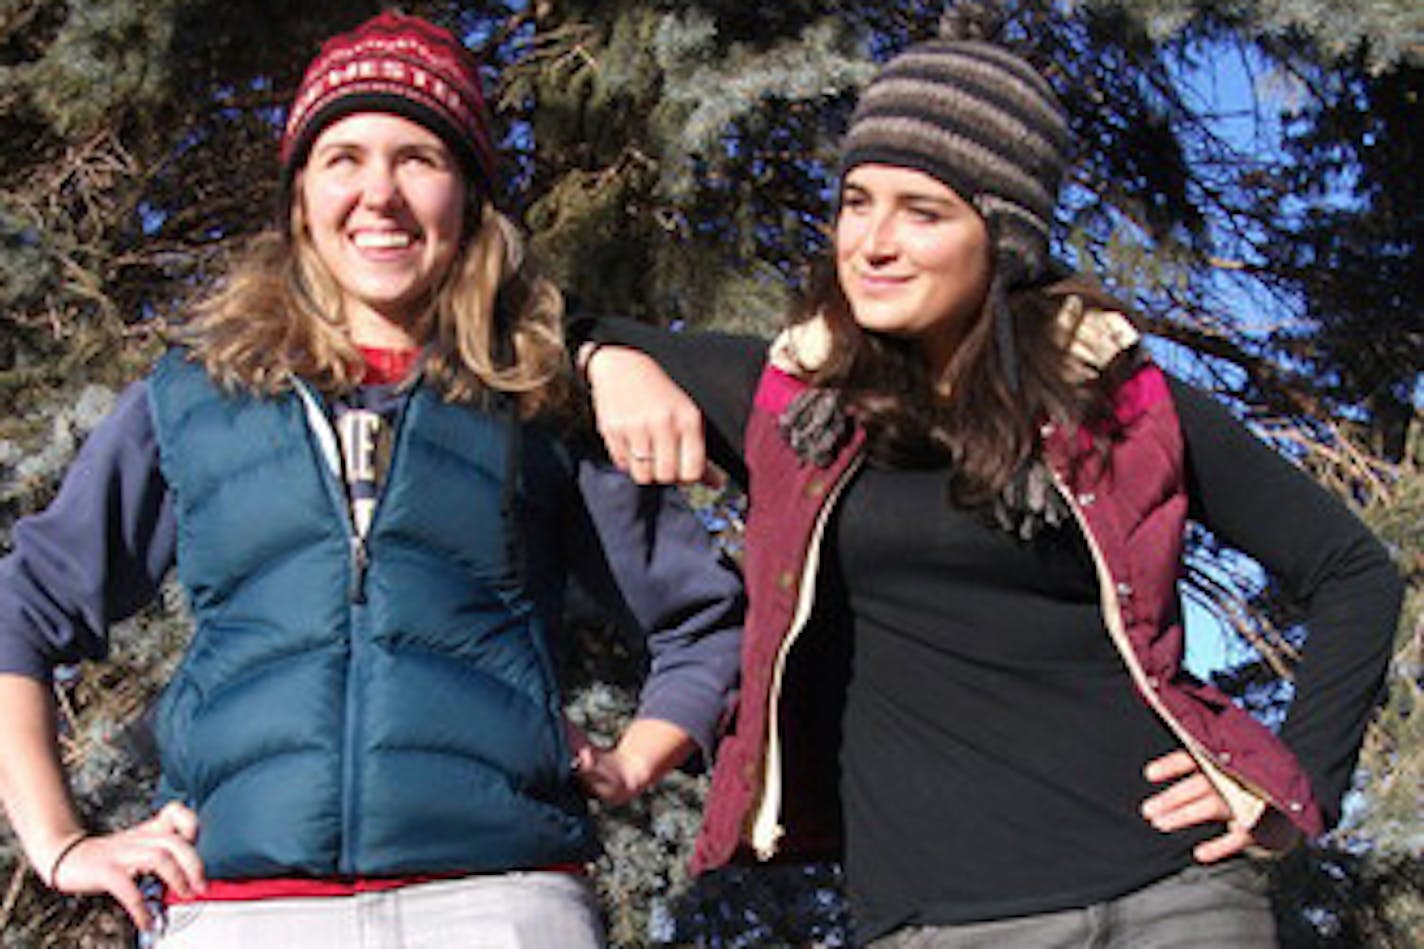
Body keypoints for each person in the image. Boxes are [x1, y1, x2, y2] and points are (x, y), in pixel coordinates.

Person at [575, 37, 1403, 947]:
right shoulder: (789, 403)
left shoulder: (1117, 403)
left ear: (1001, 238)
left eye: (922, 212)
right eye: (856, 203)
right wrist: (607, 359)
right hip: (941, 920)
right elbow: (541, 327)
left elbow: (1352, 569)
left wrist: (1294, 786)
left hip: (1175, 896)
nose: (872, 243)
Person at [0, 12, 743, 948]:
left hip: (497, 905)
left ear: (469, 197)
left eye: (419, 157)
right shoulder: (192, 398)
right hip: (240, 912)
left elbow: (707, 619)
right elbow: (21, 606)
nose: (378, 195)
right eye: (343, 157)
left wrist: (638, 757)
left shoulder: (541, 402)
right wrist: (60, 843)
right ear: (300, 195)